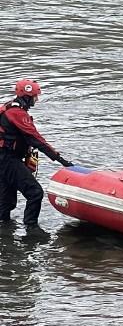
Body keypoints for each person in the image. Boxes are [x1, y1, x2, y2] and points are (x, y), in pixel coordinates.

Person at [0, 79, 74, 227]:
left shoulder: (9, 108)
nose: (36, 99)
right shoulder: (17, 113)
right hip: (7, 160)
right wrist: (59, 159)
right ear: (27, 96)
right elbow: (35, 138)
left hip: (4, 160)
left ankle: (6, 235)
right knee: (35, 193)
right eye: (34, 96)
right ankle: (31, 229)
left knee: (5, 203)